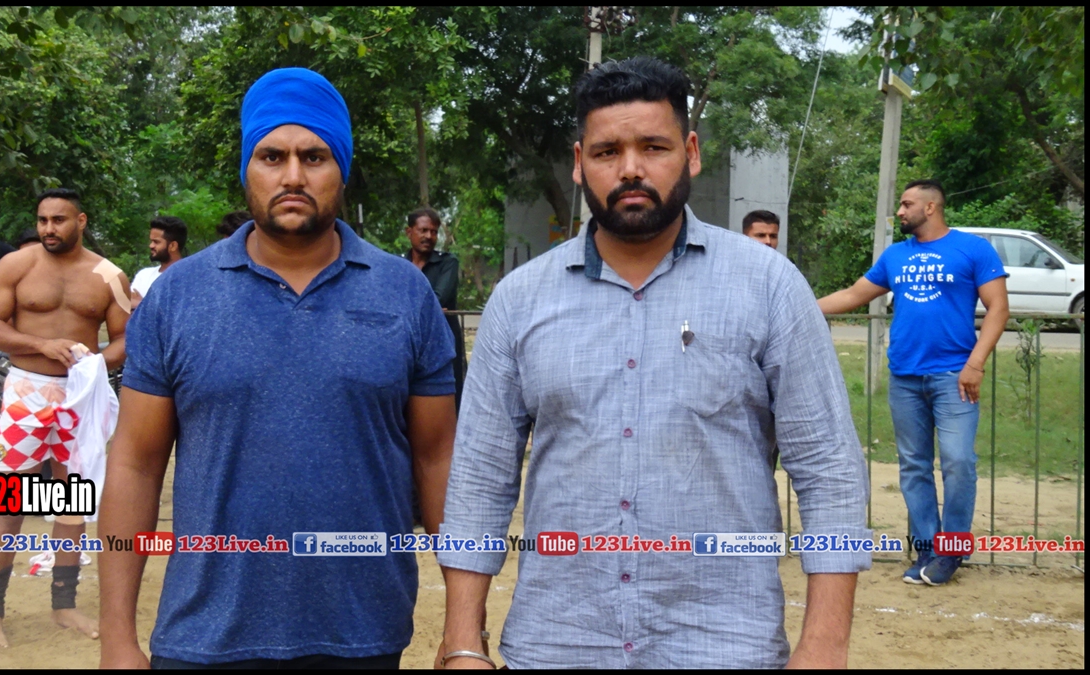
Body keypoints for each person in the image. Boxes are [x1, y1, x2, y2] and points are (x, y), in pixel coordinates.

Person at [437, 57, 870, 669]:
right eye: (607, 151)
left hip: (722, 647)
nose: (631, 169)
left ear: (690, 153)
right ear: (579, 162)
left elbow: (829, 469)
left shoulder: (769, 287)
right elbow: (480, 477)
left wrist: (824, 647)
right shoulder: (518, 301)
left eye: (653, 147)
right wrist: (462, 641)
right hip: (560, 644)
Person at [98, 67, 457, 669]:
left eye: (314, 156)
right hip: (204, 636)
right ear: (248, 168)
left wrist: (462, 627)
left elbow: (437, 458)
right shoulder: (179, 296)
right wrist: (116, 640)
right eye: (272, 156)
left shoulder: (405, 294)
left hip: (362, 634)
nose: (293, 176)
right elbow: (135, 463)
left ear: (341, 168)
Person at [817, 179, 1008, 586]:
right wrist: (800, 308)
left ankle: (951, 549)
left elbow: (998, 308)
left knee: (958, 462)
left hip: (955, 376)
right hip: (904, 377)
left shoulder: (973, 249)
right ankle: (927, 547)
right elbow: (854, 294)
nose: (900, 212)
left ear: (931, 207)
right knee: (914, 466)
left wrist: (975, 364)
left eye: (907, 205)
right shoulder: (896, 255)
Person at [0, 187, 131, 649]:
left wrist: (95, 366)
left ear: (80, 221)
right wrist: (42, 345)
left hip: (81, 394)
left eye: (58, 220)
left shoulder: (109, 275)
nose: (48, 229)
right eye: (43, 220)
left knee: (72, 500)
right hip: (27, 391)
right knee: (8, 500)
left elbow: (127, 338)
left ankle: (64, 604)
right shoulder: (16, 265)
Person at [404, 207, 466, 410]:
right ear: (409, 232)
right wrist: (429, 309)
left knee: (447, 399)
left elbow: (438, 299)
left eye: (433, 232)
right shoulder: (399, 265)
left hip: (442, 342)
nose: (429, 236)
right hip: (406, 341)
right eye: (423, 230)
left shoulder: (448, 263)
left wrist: (403, 307)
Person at [130, 216, 188, 306]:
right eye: (151, 241)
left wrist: (142, 304)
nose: (151, 246)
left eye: (156, 242)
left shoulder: (188, 277)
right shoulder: (143, 276)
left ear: (173, 246)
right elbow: (129, 307)